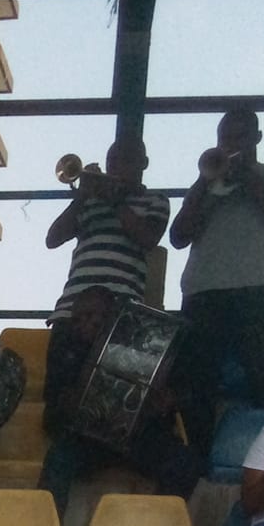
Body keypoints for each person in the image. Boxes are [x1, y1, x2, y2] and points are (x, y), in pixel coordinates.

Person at [42, 136, 170, 437]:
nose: (117, 166)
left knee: (112, 400)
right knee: (59, 400)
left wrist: (117, 201)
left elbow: (147, 239)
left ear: (144, 165)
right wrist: (82, 197)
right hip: (71, 313)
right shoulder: (90, 200)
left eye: (126, 160)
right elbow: (53, 238)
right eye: (113, 160)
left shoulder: (156, 200)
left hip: (121, 318)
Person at [37, 283, 198, 519]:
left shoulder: (152, 344)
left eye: (95, 316)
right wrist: (67, 405)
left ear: (116, 316)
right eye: (79, 318)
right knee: (58, 460)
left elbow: (188, 392)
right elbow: (50, 416)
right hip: (89, 438)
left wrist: (169, 400)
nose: (87, 324)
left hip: (143, 436)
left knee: (185, 463)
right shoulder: (66, 352)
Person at [170, 107, 264, 472]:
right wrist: (204, 186)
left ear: (257, 139)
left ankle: (263, 467)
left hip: (259, 292)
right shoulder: (207, 185)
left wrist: (246, 176)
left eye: (240, 137)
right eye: (225, 138)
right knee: (196, 385)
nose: (231, 145)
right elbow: (178, 236)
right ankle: (195, 465)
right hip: (204, 294)